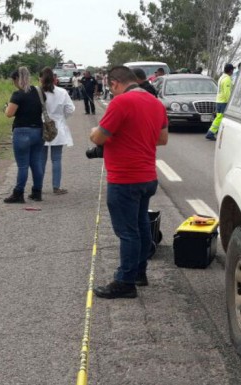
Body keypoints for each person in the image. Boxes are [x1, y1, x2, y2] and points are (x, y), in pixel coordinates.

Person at [89, 66, 169, 299]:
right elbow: (162, 139)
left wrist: (94, 131)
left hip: (124, 177)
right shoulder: (156, 103)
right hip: (147, 177)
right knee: (142, 225)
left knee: (127, 232)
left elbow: (99, 136)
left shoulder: (121, 103)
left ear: (114, 83)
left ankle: (125, 281)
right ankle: (139, 273)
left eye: (109, 87)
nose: (110, 92)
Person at [4, 66, 45, 203]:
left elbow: (9, 114)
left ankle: (18, 193)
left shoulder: (18, 95)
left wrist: (6, 107)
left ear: (17, 79)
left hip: (22, 131)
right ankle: (37, 191)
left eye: (13, 80)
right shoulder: (39, 92)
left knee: (22, 165)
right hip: (38, 131)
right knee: (36, 163)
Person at [39, 67, 75, 195]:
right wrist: (61, 117)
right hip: (57, 128)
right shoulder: (62, 92)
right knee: (56, 159)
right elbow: (70, 109)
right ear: (55, 79)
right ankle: (56, 186)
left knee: (40, 159)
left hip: (41, 127)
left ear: (40, 79)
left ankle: (39, 186)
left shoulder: (37, 92)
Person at [206, 63, 234, 141]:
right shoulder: (227, 79)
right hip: (223, 101)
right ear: (231, 70)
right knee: (219, 118)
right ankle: (210, 133)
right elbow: (227, 93)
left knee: (219, 117)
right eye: (233, 70)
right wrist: (230, 103)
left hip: (219, 100)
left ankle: (214, 132)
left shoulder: (222, 77)